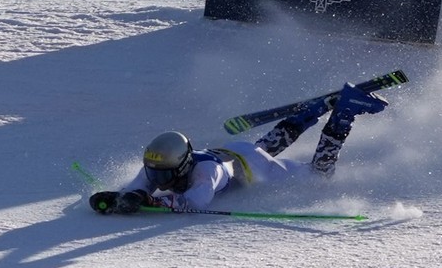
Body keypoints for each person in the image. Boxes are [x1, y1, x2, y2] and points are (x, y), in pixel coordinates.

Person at [89, 82, 388, 214]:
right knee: (265, 147)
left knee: (320, 176)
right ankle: (313, 109)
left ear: (181, 164)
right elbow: (140, 187)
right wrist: (122, 199)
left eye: (164, 176)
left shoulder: (207, 174)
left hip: (251, 168)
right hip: (239, 152)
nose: (158, 182)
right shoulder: (159, 166)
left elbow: (194, 203)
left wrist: (155, 204)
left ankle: (346, 110)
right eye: (155, 174)